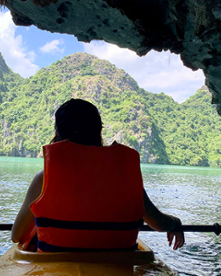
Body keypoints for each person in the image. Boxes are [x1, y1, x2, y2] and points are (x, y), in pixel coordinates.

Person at [12, 99, 184, 252]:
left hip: (54, 267)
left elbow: (17, 236)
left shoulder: (43, 178)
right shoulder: (126, 176)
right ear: (98, 131)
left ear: (58, 133)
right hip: (117, 267)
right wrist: (175, 223)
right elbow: (159, 223)